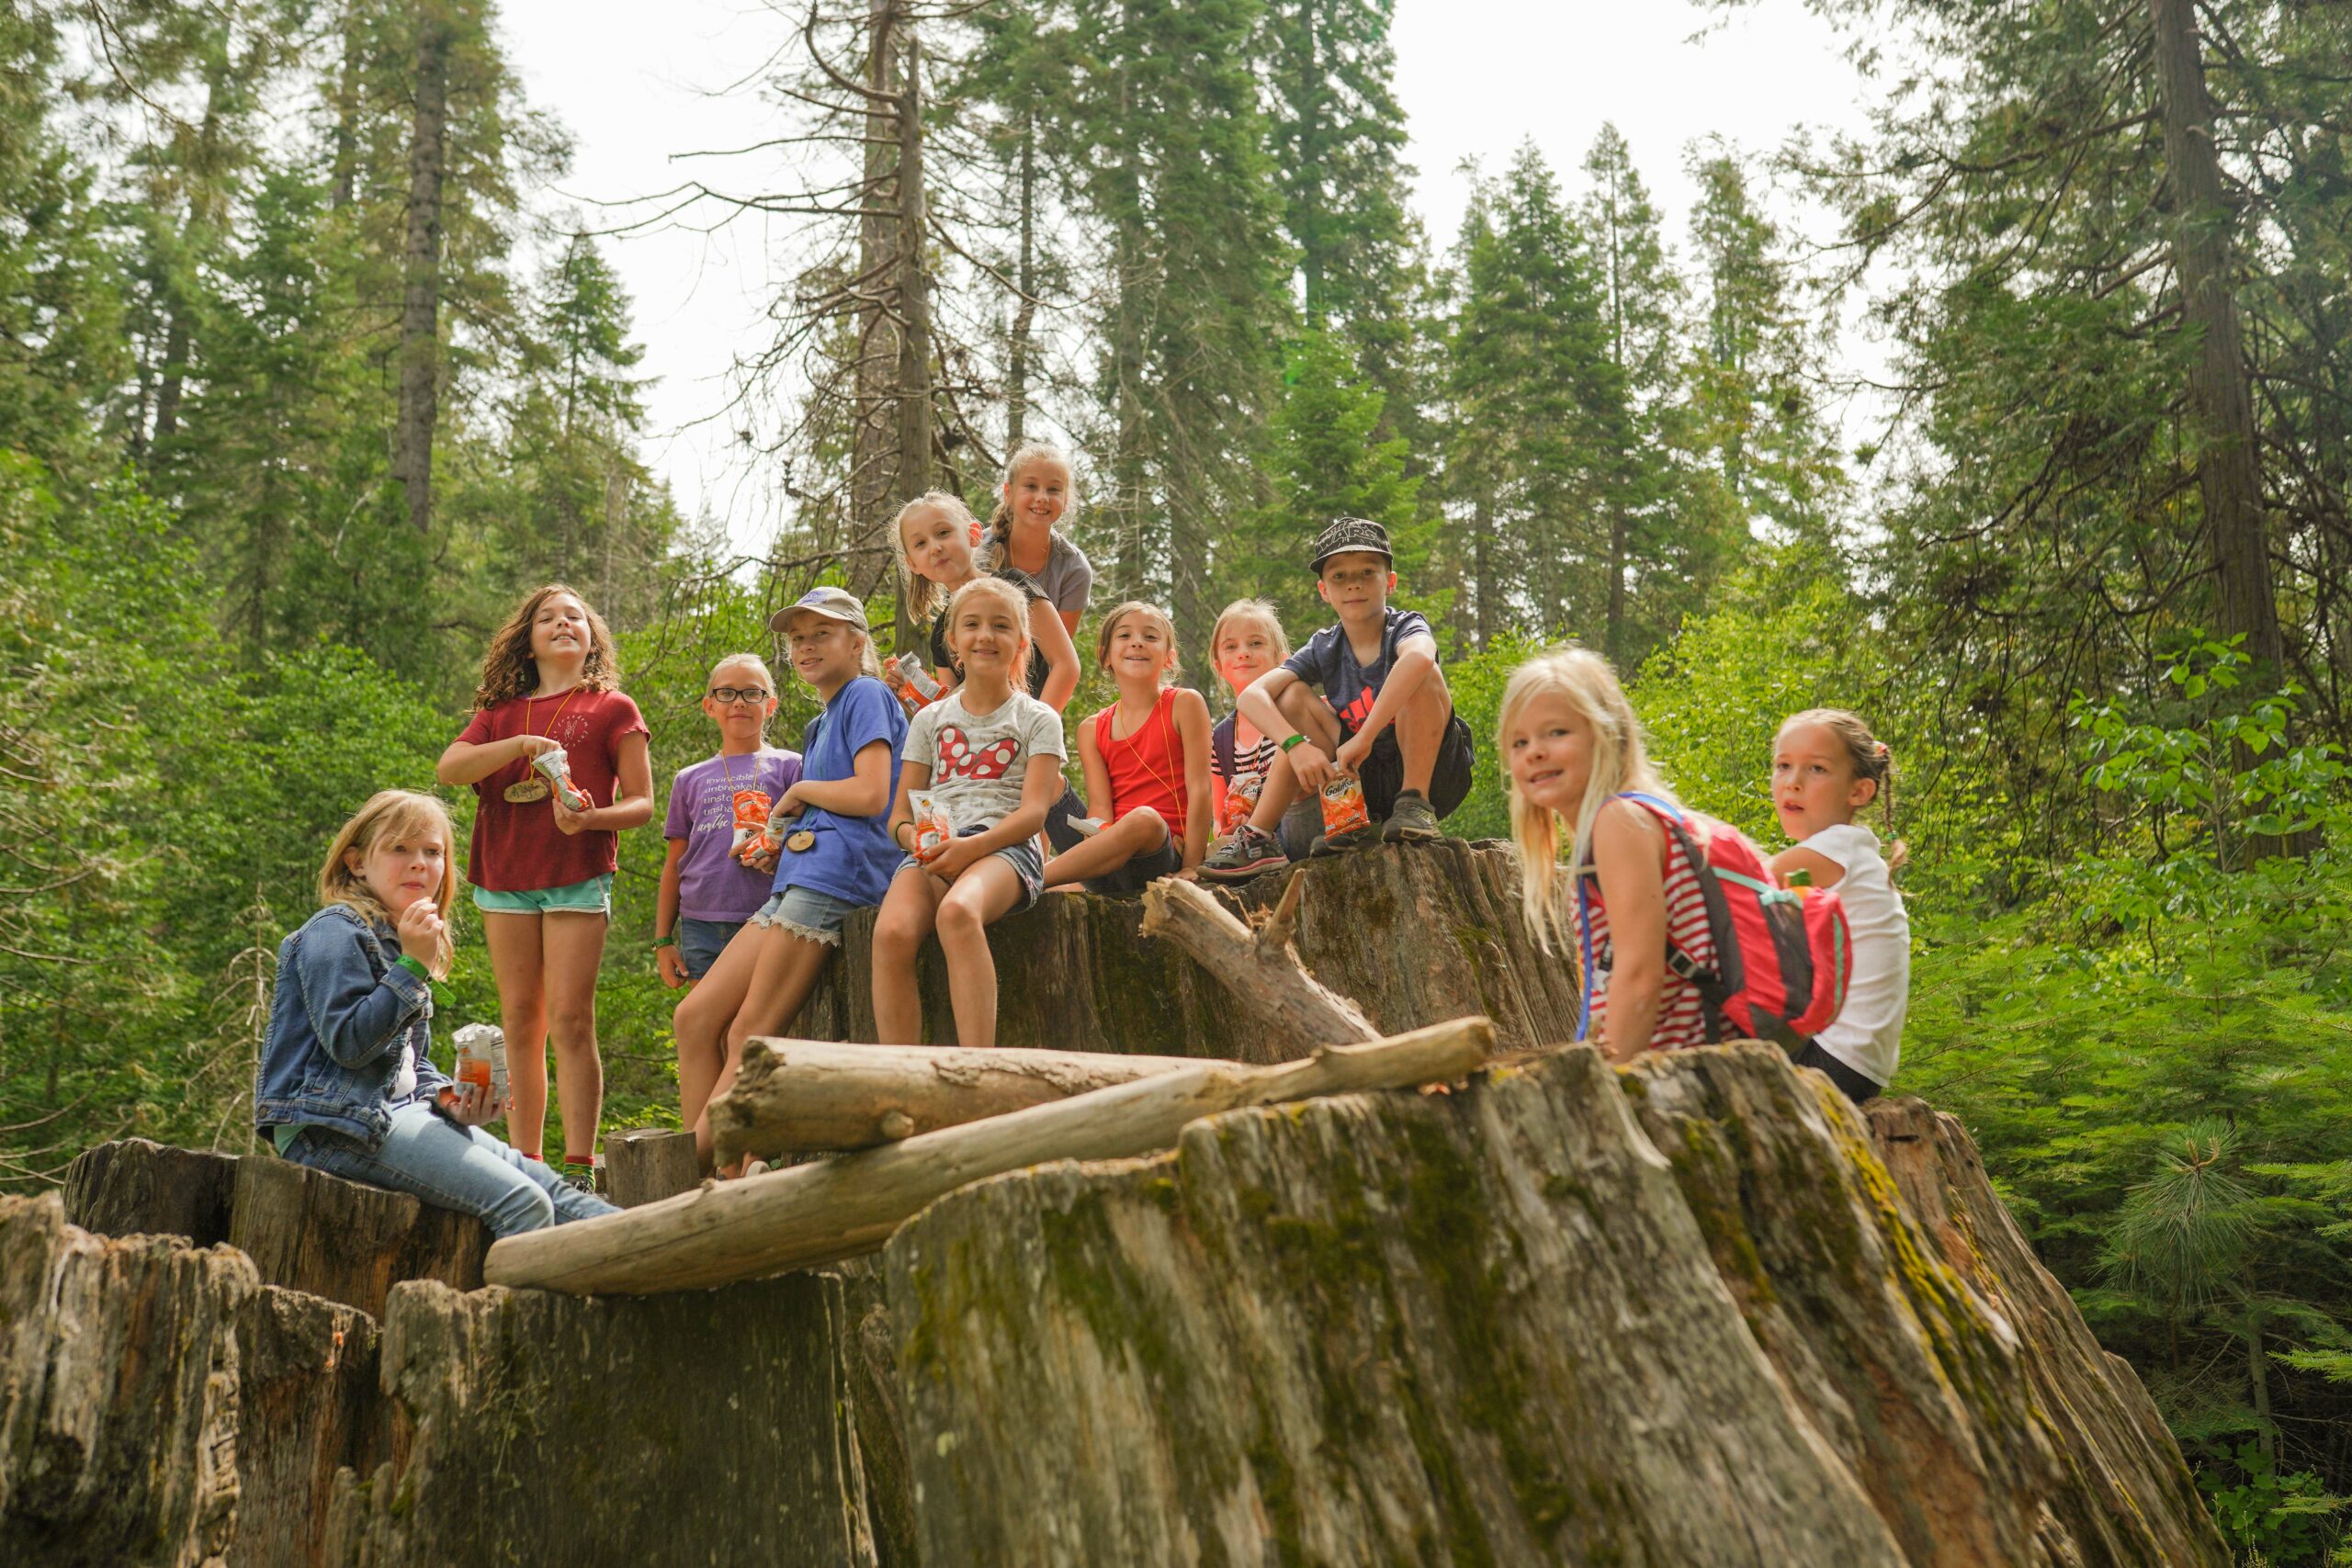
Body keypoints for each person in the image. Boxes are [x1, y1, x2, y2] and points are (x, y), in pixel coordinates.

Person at [255, 789, 619, 1235]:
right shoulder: (334, 932)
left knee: (558, 1194)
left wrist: (454, 1102)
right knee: (523, 1204)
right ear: (357, 862)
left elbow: (406, 1066)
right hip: (332, 1127)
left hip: (398, 1112)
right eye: (399, 849)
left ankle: (667, 1257)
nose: (419, 863)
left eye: (433, 852)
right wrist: (412, 966)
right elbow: (349, 1044)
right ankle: (516, 1307)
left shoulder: (399, 938)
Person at [673, 589, 906, 1172]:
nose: (805, 645)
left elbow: (873, 794)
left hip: (838, 881)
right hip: (799, 877)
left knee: (750, 1032)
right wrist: (776, 846)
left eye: (821, 633)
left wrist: (796, 794)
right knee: (695, 1018)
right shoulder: (819, 721)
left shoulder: (867, 694)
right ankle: (709, 1157)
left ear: (857, 643)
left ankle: (703, 1168)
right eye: (797, 637)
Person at [435, 583, 651, 1191]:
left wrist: (589, 819)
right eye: (548, 618)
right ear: (527, 641)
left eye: (576, 616)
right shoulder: (501, 715)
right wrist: (522, 744)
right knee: (521, 1019)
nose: (563, 623)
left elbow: (641, 803)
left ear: (592, 638)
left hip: (577, 875)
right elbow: (451, 768)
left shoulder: (613, 707)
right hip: (503, 877)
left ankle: (578, 1168)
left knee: (571, 1019)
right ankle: (525, 1164)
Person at [1202, 517, 1476, 878]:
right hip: (1362, 776)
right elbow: (1252, 696)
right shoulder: (1325, 646)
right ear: (1323, 590)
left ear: (1389, 582)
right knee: (1290, 696)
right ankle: (1260, 835)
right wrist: (1296, 746)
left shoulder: (1405, 627)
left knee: (1420, 674)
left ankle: (1415, 804)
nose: (1354, 584)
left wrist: (1364, 736)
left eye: (1367, 571)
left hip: (1432, 771)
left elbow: (1421, 658)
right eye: (1340, 577)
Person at [1496, 646, 1718, 1063]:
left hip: (1683, 1075)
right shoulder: (1620, 823)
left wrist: (1607, 1087)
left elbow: (1638, 977)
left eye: (1556, 732)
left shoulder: (1619, 822)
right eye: (1519, 741)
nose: (1535, 752)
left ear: (1608, 733)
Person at [872, 577, 1066, 1048]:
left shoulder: (1037, 718)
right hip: (936, 848)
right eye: (972, 625)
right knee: (891, 933)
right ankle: (900, 1072)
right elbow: (899, 815)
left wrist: (972, 848)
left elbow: (1034, 813)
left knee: (958, 913)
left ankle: (976, 1065)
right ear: (953, 642)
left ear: (1022, 644)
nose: (985, 636)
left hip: (1005, 848)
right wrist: (918, 842)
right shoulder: (929, 719)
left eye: (1001, 626)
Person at [893, 488, 1086, 849]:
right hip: (981, 766)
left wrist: (1033, 736)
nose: (935, 547)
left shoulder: (1014, 587)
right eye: (920, 544)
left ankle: (1074, 871)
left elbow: (1066, 664)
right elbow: (953, 703)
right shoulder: (942, 632)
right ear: (912, 563)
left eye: (943, 533)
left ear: (972, 534)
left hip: (1029, 737)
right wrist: (914, 694)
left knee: (1035, 820)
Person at [1767, 708, 1910, 1101]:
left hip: (1832, 1060)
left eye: (1816, 769)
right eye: (1783, 765)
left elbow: (1735, 885)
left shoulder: (1836, 849)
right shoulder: (1856, 852)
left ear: (1859, 792)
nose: (1792, 783)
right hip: (1856, 1065)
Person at [1043, 602, 1212, 893]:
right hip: (1107, 859)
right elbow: (1099, 808)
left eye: (1150, 636)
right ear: (1105, 656)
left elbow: (1200, 789)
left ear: (1169, 658)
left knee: (1145, 819)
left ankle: (1031, 878)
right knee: (1044, 779)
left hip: (1160, 856)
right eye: (1124, 636)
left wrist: (1191, 866)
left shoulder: (1184, 704)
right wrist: (1093, 849)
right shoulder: (1092, 728)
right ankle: (1063, 877)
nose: (1137, 642)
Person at [655, 653, 802, 987]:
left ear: (771, 705)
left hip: (770, 915)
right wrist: (663, 940)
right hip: (700, 922)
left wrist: (777, 849)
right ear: (710, 706)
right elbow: (674, 863)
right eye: (727, 693)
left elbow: (807, 838)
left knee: (761, 1027)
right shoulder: (688, 778)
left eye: (752, 693)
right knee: (707, 1025)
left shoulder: (791, 767)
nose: (739, 702)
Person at [1202, 598, 1318, 865]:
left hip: (1305, 829)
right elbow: (1220, 821)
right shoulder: (1219, 740)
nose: (1243, 653)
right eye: (1231, 647)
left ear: (1282, 659)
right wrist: (1230, 828)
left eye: (1256, 643)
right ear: (1219, 666)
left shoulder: (1298, 712)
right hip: (1251, 847)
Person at [982, 438, 1091, 639]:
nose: (1042, 497)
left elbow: (1058, 655)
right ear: (1009, 493)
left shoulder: (1074, 569)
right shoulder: (978, 550)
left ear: (1066, 500)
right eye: (1031, 486)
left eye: (1053, 489)